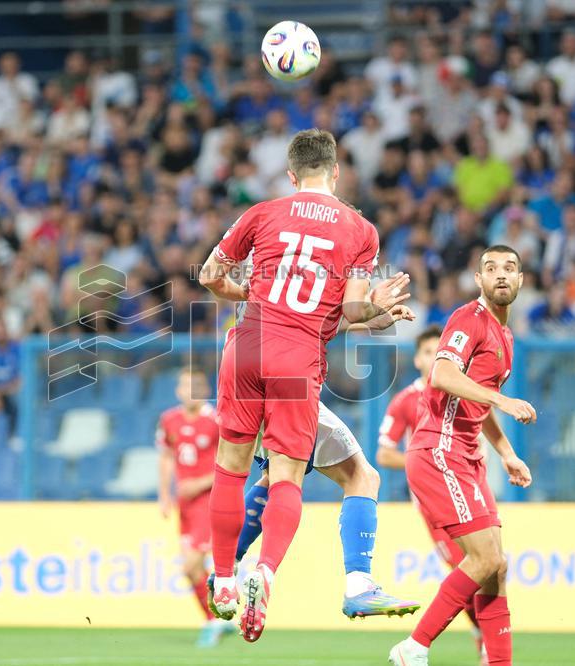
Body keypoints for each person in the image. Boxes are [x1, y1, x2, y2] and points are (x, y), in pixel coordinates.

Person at [198, 128, 413, 642]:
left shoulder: (262, 213)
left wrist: (249, 292)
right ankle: (266, 573)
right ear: (336, 172)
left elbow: (208, 276)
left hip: (245, 347)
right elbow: (350, 310)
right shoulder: (359, 229)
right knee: (288, 477)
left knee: (230, 468)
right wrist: (376, 309)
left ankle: (224, 580)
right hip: (296, 359)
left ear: (291, 175)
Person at [390, 246, 536, 666]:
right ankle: (414, 647)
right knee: (485, 557)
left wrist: (506, 453)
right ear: (479, 280)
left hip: (469, 457)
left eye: (509, 268)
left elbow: (477, 403)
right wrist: (502, 400)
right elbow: (442, 374)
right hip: (440, 448)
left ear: (521, 280)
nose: (501, 275)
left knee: (497, 567)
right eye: (491, 268)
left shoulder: (505, 336)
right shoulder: (469, 318)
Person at [212, 396, 420, 621]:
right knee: (362, 477)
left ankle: (225, 573)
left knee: (270, 476)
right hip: (292, 391)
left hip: (242, 394)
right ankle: (358, 586)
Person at [376, 326, 488, 665]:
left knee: (487, 564)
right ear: (417, 359)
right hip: (434, 497)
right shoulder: (406, 400)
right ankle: (481, 638)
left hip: (467, 488)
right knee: (470, 565)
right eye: (427, 352)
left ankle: (484, 638)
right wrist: (426, 460)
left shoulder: (463, 392)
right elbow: (384, 454)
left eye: (439, 351)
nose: (434, 357)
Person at [156, 369, 236, 648]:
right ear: (178, 390)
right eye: (184, 386)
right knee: (192, 571)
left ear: (204, 390)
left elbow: (232, 463)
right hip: (185, 505)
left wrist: (199, 483)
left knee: (190, 564)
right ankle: (216, 619)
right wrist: (164, 494)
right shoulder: (169, 420)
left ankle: (215, 619)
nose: (189, 391)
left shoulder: (216, 420)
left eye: (195, 386)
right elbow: (167, 457)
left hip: (209, 502)